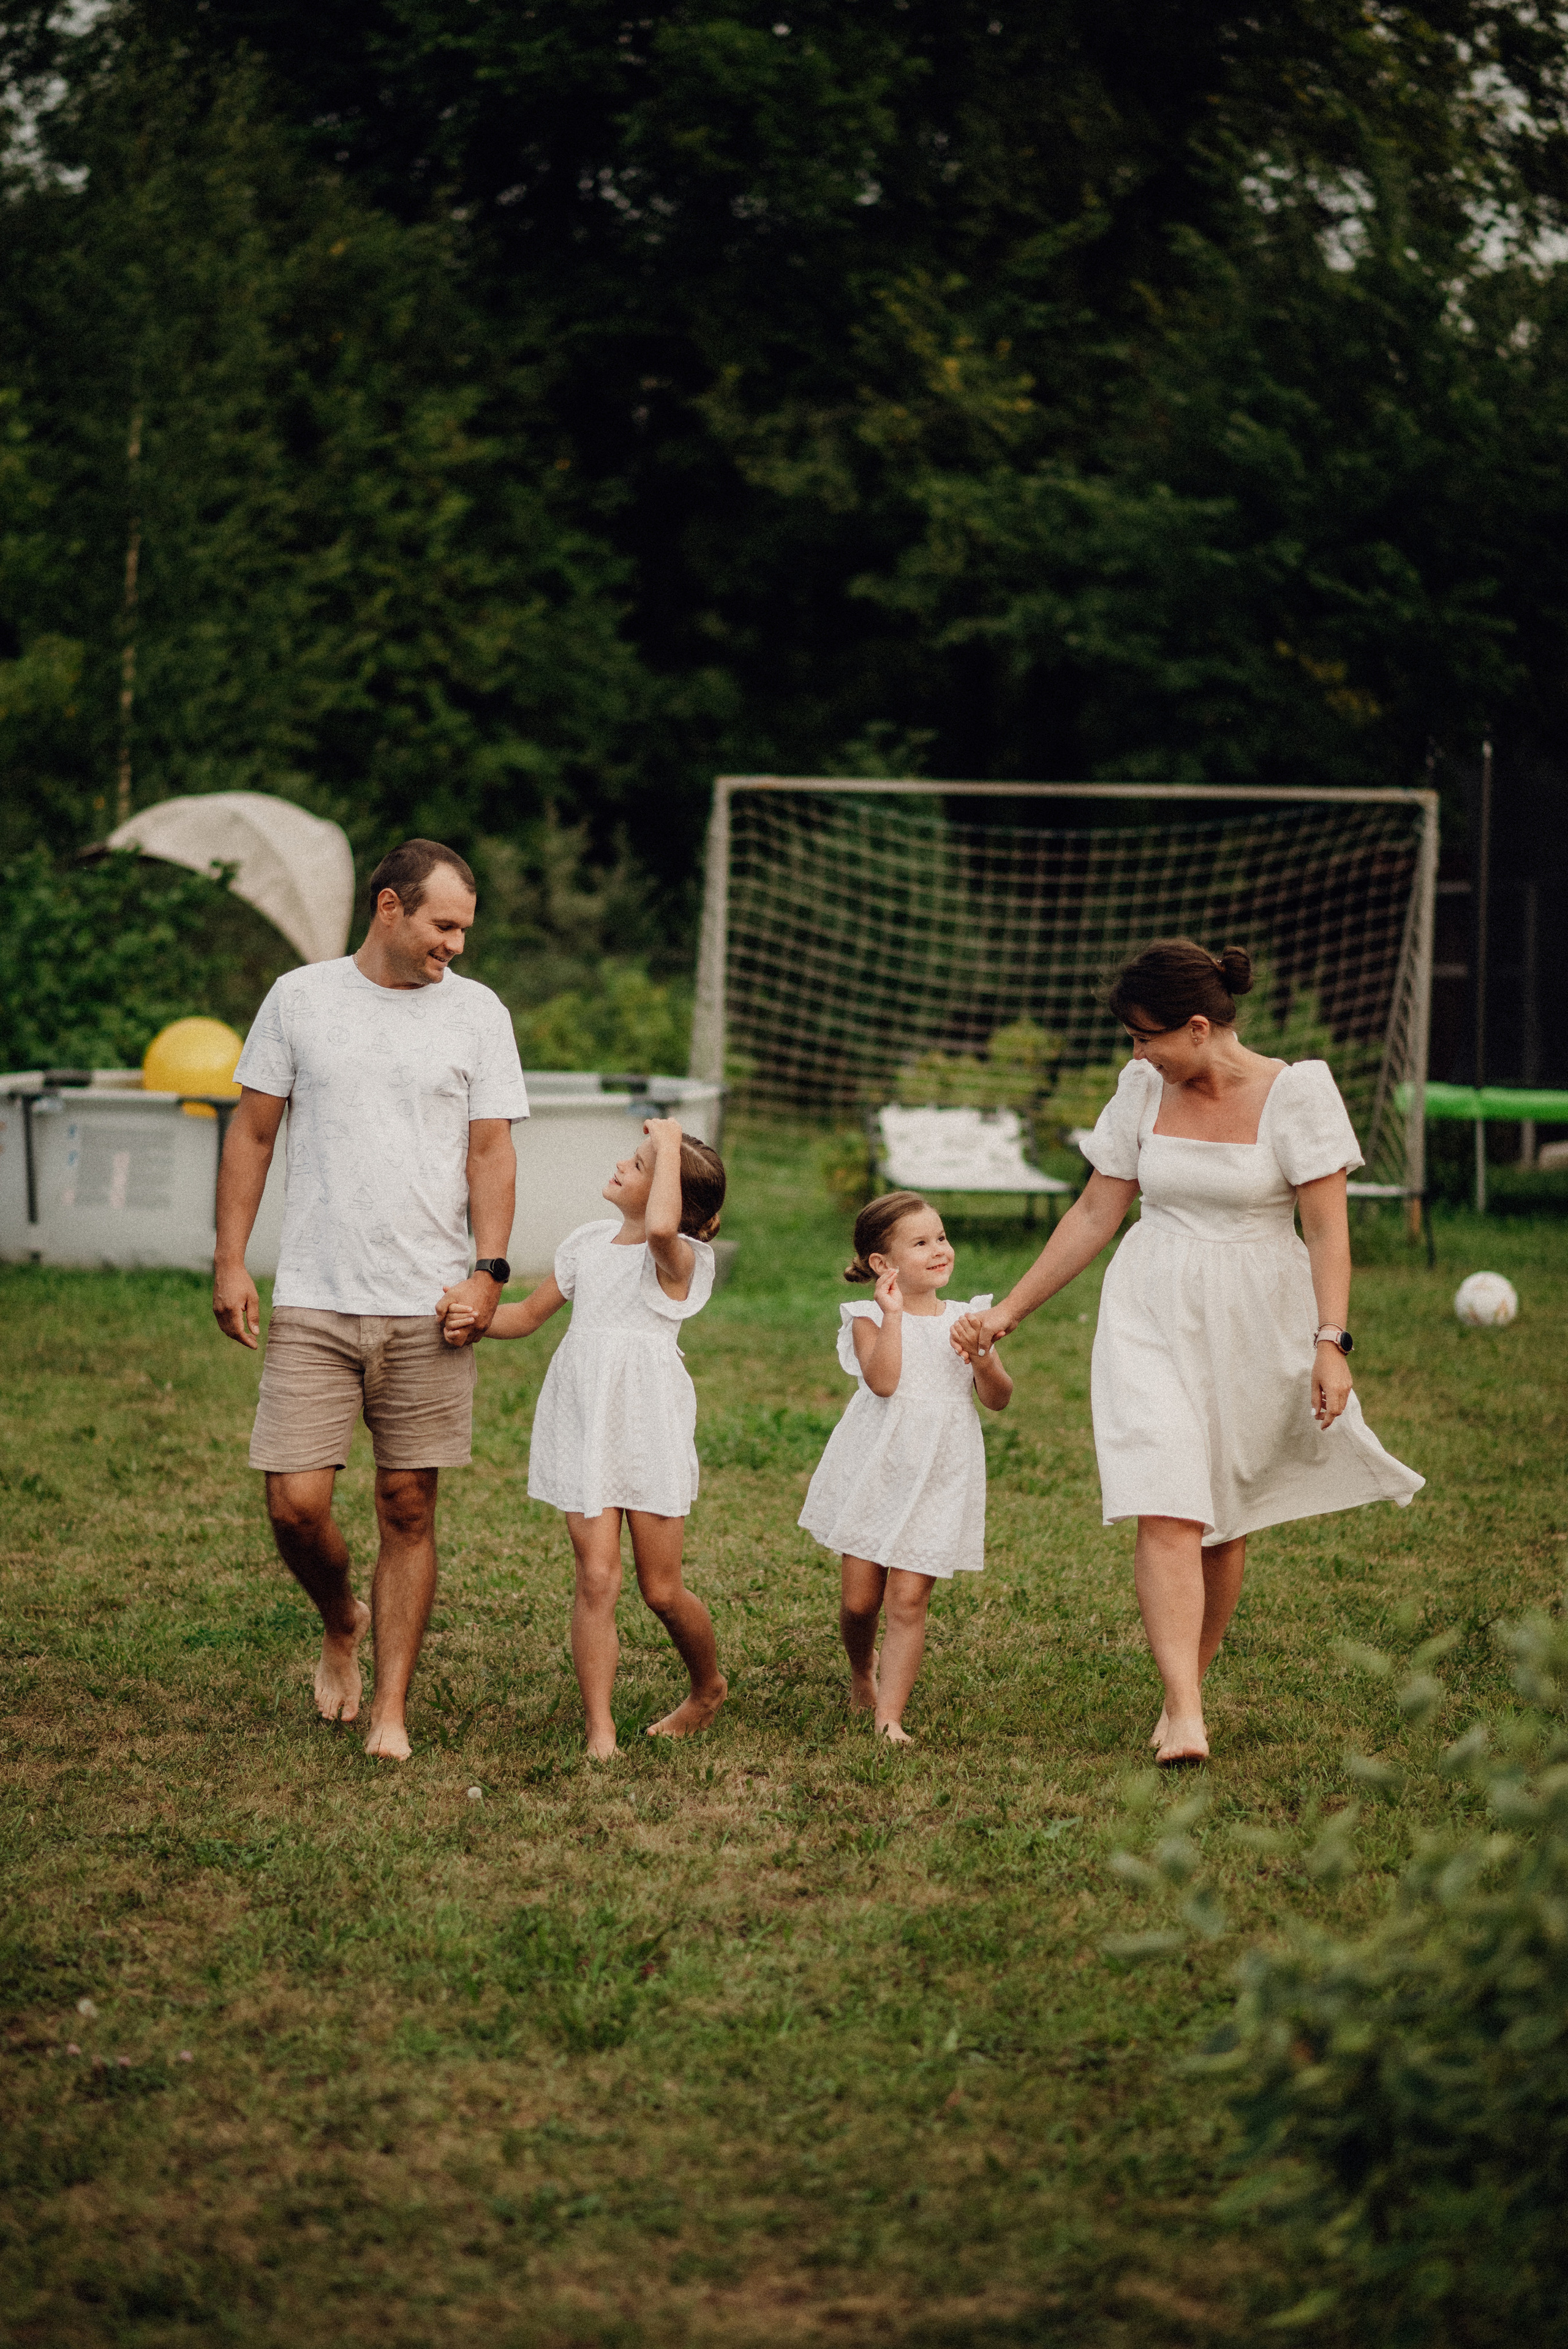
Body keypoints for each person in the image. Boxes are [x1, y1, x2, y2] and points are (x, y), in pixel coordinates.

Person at [952, 940, 1422, 1767]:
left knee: (1221, 1518)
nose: (1138, 1055)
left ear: (1198, 1027)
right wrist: (1009, 1311)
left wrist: (1331, 1343)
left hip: (1255, 1316)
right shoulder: (1142, 1089)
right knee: (1165, 1501)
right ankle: (1184, 1710)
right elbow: (1096, 1213)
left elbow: (1327, 1233)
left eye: (1148, 1038)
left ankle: (1185, 1690)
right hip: (1149, 1306)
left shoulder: (1299, 1093)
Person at [211, 838, 528, 1761]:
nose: (456, 946)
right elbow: (253, 1133)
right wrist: (231, 1260)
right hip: (316, 1294)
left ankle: (391, 1708)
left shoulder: (478, 1012)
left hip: (430, 1304)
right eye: (444, 926)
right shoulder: (299, 999)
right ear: (390, 907)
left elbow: (491, 1152)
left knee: (407, 1504)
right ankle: (339, 1616)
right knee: (294, 1505)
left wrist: (488, 1271)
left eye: (465, 930)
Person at [442, 1116, 728, 1760]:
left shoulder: (679, 1258)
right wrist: (472, 1320)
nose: (624, 1165)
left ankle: (708, 1686)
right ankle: (600, 1728)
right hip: (585, 1422)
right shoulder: (586, 1244)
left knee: (661, 1590)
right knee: (596, 1577)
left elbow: (661, 1228)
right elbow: (525, 1315)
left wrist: (670, 1140)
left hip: (647, 1425)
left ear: (672, 1197)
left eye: (642, 1165)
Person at [799, 1192, 1013, 1743]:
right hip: (877, 1470)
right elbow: (884, 1382)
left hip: (940, 1472)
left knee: (908, 1600)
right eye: (920, 1243)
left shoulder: (969, 1317)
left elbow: (998, 1399)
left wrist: (983, 1354)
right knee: (859, 1602)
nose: (939, 1250)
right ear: (883, 1264)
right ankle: (860, 1670)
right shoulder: (867, 1318)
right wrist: (894, 1315)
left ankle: (889, 1717)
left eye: (941, 1237)